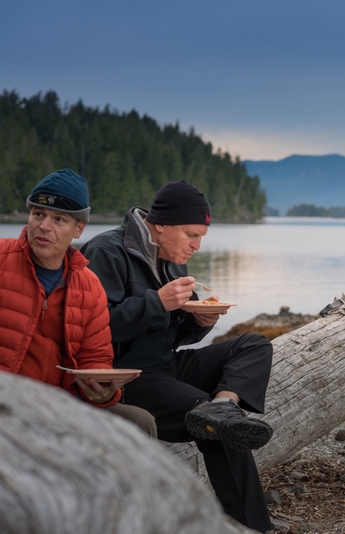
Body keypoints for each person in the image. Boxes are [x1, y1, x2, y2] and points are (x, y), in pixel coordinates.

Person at [80, 180, 274, 532]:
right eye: (191, 234)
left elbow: (172, 336)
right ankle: (253, 527)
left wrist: (199, 322)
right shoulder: (106, 251)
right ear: (161, 224)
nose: (196, 246)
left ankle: (225, 403)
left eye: (201, 237)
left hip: (166, 366)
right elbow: (90, 329)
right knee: (221, 427)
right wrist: (158, 302)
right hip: (127, 376)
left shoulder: (173, 263)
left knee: (254, 344)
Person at [0, 169, 156, 436]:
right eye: (38, 214)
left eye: (58, 219)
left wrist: (104, 391)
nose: (44, 226)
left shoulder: (89, 285)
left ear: (79, 229)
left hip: (62, 401)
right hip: (8, 398)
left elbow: (95, 358)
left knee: (139, 423)